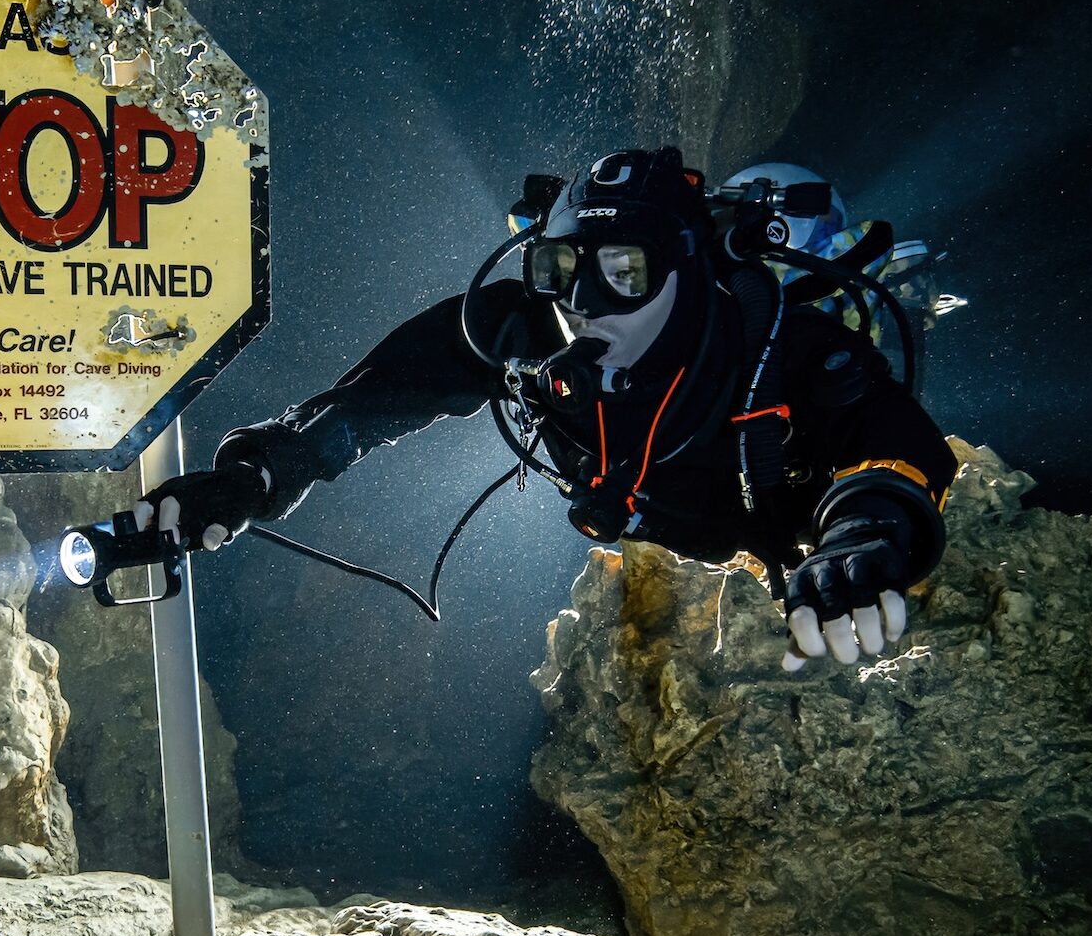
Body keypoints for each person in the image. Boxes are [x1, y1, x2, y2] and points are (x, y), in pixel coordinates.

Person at [134, 146, 957, 670]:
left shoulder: (776, 345)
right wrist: (252, 480)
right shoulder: (523, 331)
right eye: (565, 269)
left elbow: (889, 437)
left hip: (766, 524)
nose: (586, 305)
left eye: (625, 272)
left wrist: (865, 533)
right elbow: (373, 399)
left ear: (686, 272)